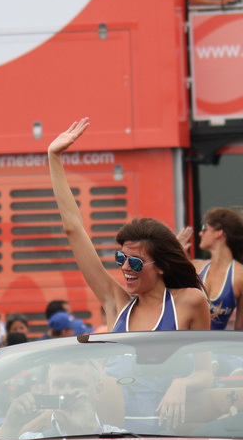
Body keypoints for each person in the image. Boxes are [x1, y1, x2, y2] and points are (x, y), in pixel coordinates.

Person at [48, 118, 210, 333]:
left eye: (135, 262)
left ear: (161, 266)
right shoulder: (116, 304)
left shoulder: (190, 301)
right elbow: (74, 229)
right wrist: (53, 157)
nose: (124, 267)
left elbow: (202, 356)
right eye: (120, 258)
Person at [1, 360, 125, 439]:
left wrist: (91, 430)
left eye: (77, 384)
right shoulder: (31, 439)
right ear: (49, 389)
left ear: (98, 390)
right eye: (58, 384)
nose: (66, 391)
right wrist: (11, 426)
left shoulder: (122, 439)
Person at [179, 207, 243, 331]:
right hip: (189, 340)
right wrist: (175, 252)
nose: (200, 233)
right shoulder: (195, 267)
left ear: (219, 233)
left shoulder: (242, 277)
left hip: (218, 342)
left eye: (205, 228)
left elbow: (242, 326)